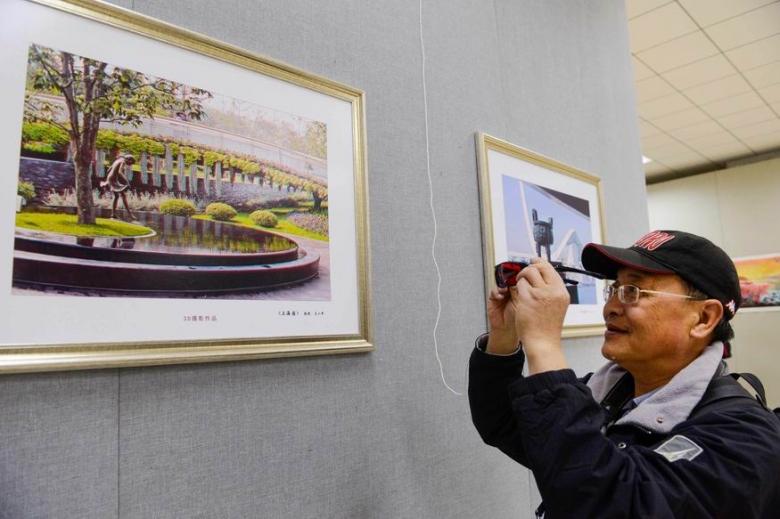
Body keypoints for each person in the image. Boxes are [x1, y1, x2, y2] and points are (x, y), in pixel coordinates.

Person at [469, 230, 780, 518]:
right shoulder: (609, 393)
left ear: (704, 318)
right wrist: (504, 336)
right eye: (614, 289)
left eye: (633, 290)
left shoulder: (745, 439)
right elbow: (504, 421)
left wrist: (544, 344)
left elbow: (615, 505)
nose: (610, 308)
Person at [100, 154, 137, 220]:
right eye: (131, 163)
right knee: (123, 195)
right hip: (113, 179)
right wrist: (127, 181)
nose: (130, 165)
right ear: (129, 160)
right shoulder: (123, 162)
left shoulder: (117, 160)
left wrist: (108, 179)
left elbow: (108, 170)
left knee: (117, 196)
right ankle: (129, 214)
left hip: (111, 178)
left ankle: (113, 214)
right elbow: (120, 172)